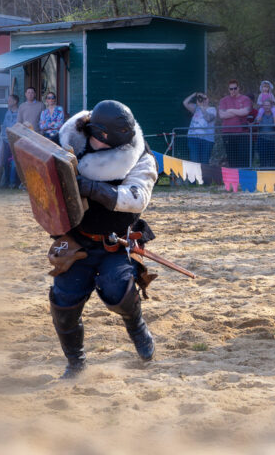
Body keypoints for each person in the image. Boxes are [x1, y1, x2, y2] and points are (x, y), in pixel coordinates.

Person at [50, 100, 159, 378]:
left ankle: (137, 328)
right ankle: (75, 363)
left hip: (115, 242)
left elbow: (136, 198)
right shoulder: (67, 143)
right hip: (77, 240)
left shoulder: (141, 157)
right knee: (64, 301)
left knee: (118, 292)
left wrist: (90, 187)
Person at [218, 80, 252, 167]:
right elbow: (222, 115)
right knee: (232, 160)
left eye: (235, 88)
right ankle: (233, 180)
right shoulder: (223, 100)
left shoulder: (245, 99)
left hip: (242, 133)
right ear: (228, 89)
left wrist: (231, 110)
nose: (233, 90)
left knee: (243, 160)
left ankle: (244, 180)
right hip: (228, 133)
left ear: (238, 88)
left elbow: (245, 112)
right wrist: (238, 111)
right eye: (231, 89)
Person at [182, 91, 216, 164]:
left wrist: (202, 107)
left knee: (204, 162)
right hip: (193, 138)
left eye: (205, 98)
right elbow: (185, 103)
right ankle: (195, 175)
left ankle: (205, 176)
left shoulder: (212, 109)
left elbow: (208, 118)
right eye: (201, 98)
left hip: (206, 139)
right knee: (194, 161)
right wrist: (194, 94)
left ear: (208, 99)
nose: (203, 100)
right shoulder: (195, 108)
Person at [0, 94, 19, 188]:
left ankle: (14, 182)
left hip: (15, 141)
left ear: (15, 101)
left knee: (15, 162)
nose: (8, 102)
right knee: (5, 161)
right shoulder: (7, 112)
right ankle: (5, 182)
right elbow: (4, 126)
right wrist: (3, 138)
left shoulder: (20, 113)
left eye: (10, 100)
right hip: (6, 141)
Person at [254, 97, 275, 166]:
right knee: (263, 160)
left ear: (271, 106)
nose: (266, 107)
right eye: (265, 105)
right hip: (262, 139)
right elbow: (255, 127)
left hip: (272, 140)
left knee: (272, 161)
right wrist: (258, 121)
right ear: (263, 106)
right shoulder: (260, 115)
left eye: (268, 105)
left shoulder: (274, 115)